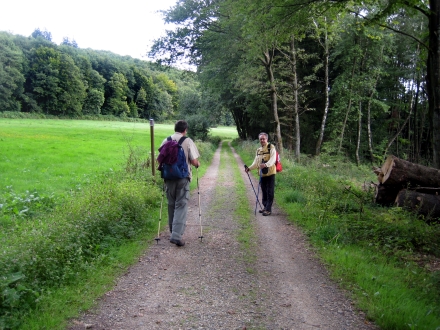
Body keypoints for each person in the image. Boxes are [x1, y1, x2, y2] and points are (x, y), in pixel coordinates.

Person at [159, 120, 200, 246]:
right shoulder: (187, 141)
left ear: (175, 128)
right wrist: (198, 164)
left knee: (171, 204)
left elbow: (159, 158)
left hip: (168, 178)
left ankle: (173, 231)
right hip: (183, 178)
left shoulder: (166, 140)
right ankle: (176, 236)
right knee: (181, 205)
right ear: (185, 130)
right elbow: (194, 161)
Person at [245, 132, 276, 216]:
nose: (262, 140)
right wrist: (249, 168)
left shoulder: (271, 147)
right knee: (264, 191)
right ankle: (265, 207)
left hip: (270, 173)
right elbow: (256, 162)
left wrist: (266, 164)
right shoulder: (258, 150)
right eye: (261, 139)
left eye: (264, 139)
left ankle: (268, 209)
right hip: (262, 174)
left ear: (267, 139)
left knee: (270, 192)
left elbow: (273, 159)